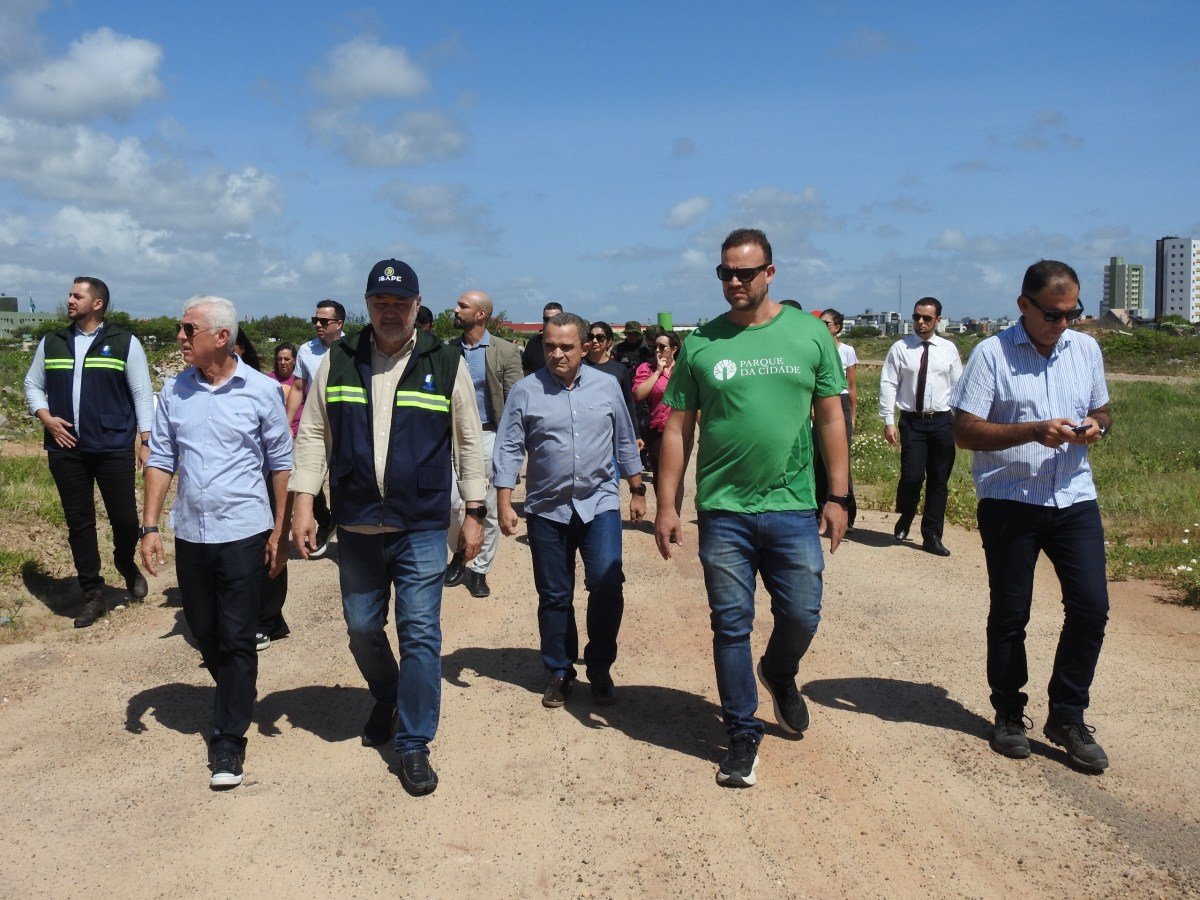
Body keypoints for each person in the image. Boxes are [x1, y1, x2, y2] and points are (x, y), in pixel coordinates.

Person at [654, 228, 850, 789]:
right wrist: (668, 505)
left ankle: (780, 674)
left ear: (770, 273)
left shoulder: (810, 336)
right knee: (730, 624)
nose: (734, 282)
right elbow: (678, 430)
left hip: (793, 507)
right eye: (725, 273)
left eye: (745, 272)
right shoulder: (701, 344)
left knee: (803, 613)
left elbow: (832, 418)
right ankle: (742, 733)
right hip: (723, 511)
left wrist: (838, 496)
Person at [290, 258, 486, 797]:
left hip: (420, 522)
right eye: (381, 304)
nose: (391, 312)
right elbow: (313, 435)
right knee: (360, 627)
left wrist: (475, 512)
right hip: (356, 524)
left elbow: (469, 442)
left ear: (418, 307)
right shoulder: (339, 358)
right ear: (368, 306)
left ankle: (414, 742)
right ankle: (388, 692)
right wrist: (303, 503)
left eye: (401, 304)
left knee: (420, 631)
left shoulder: (445, 361)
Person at [950, 260, 1113, 774]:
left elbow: (1104, 412)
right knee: (1011, 613)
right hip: (1010, 500)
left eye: (1073, 313)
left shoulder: (1085, 349)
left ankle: (1067, 715)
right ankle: (1009, 713)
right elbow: (965, 431)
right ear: (1023, 305)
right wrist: (1030, 430)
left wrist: (1093, 427)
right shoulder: (991, 355)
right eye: (1053, 314)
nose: (1063, 323)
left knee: (1091, 608)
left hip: (1072, 497)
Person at [141, 295, 292, 790]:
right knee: (204, 630)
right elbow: (161, 458)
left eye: (189, 328)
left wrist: (279, 531)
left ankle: (229, 738)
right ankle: (235, 686)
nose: (180, 337)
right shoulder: (175, 392)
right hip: (192, 532)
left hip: (244, 531)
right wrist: (150, 526)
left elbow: (279, 463)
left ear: (221, 337)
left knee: (235, 635)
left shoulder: (262, 391)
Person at [494, 312, 645, 707]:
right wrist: (504, 499)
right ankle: (560, 670)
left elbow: (625, 437)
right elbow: (510, 446)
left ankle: (599, 665)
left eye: (566, 346)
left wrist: (637, 487)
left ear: (584, 347)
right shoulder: (526, 391)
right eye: (550, 346)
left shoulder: (607, 385)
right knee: (555, 595)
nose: (557, 354)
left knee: (608, 585)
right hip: (547, 508)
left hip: (600, 503)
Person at [22, 276, 154, 628]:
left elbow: (142, 393)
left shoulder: (124, 342)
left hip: (111, 445)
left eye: (77, 295)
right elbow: (32, 384)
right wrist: (46, 418)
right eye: (69, 294)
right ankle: (93, 592)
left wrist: (145, 439)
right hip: (65, 448)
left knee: (125, 518)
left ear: (97, 304)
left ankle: (125, 562)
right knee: (79, 523)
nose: (69, 300)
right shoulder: (53, 341)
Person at [443, 290, 523, 598]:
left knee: (486, 508)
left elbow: (516, 402)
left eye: (462, 305)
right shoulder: (447, 351)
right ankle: (461, 552)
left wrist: (513, 444)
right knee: (449, 504)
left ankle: (479, 569)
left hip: (490, 436)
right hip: (452, 438)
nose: (455, 308)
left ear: (480, 315)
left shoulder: (504, 351)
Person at [879, 297, 963, 556]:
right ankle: (906, 513)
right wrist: (888, 420)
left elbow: (958, 386)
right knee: (912, 476)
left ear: (938, 320)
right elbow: (889, 383)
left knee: (939, 481)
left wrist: (962, 423)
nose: (920, 322)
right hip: (912, 422)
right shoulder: (900, 348)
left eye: (927, 318)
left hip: (941, 422)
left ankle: (932, 535)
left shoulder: (948, 349)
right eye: (917, 317)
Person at [285, 299, 346, 558]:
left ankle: (349, 532)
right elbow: (299, 388)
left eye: (324, 321)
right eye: (315, 320)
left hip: (344, 423)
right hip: (315, 424)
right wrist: (285, 424)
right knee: (306, 474)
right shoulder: (306, 350)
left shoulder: (351, 349)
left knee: (344, 479)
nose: (318, 325)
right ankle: (325, 519)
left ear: (339, 324)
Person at [813, 309, 858, 529]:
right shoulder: (816, 346)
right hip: (820, 402)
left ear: (837, 327)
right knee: (818, 460)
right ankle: (820, 509)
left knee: (841, 460)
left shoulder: (847, 350)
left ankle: (848, 510)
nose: (822, 327)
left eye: (826, 323)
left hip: (840, 401)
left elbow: (851, 385)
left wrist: (854, 412)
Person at [583, 321, 641, 450]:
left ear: (609, 342)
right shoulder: (579, 367)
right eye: (591, 337)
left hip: (613, 432)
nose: (595, 341)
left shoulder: (619, 370)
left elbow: (628, 403)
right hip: (585, 432)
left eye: (600, 337)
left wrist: (636, 434)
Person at [632, 330, 681, 476]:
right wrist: (658, 372)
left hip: (680, 430)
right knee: (660, 477)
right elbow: (638, 394)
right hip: (657, 431)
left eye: (662, 347)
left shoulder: (684, 369)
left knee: (677, 477)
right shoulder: (646, 368)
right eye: (655, 347)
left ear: (674, 349)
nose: (657, 350)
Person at [269, 342, 302, 436]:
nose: (283, 362)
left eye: (287, 359)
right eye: (279, 359)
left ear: (294, 360)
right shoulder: (267, 379)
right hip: (274, 432)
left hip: (297, 434)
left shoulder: (300, 380)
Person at [521, 302, 563, 375]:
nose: (550, 322)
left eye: (555, 319)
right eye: (546, 319)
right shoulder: (533, 343)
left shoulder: (570, 342)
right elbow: (526, 370)